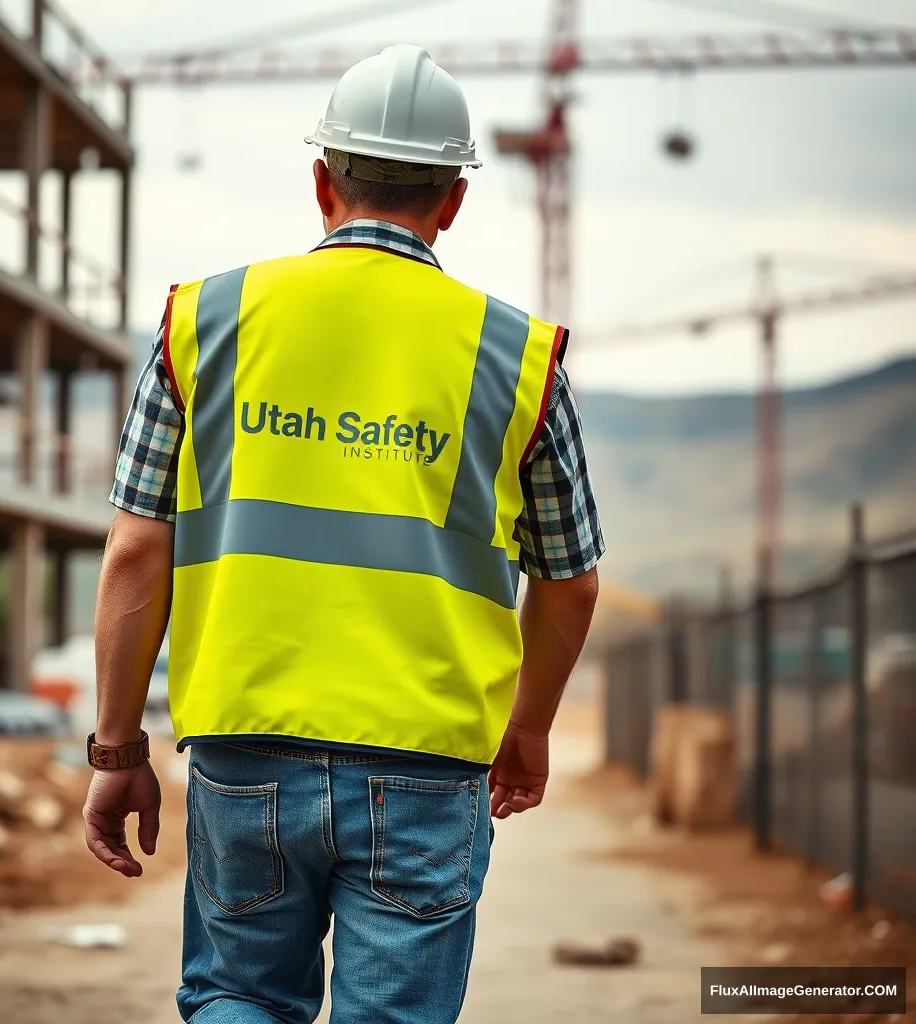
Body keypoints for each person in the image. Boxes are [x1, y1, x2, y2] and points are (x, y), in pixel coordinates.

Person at [84, 44, 603, 1024]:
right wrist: (526, 729)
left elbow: (135, 550)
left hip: (247, 748)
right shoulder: (519, 357)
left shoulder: (204, 322)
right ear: (452, 199)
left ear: (321, 179)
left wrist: (116, 752)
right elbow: (569, 580)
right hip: (425, 759)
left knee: (240, 994)